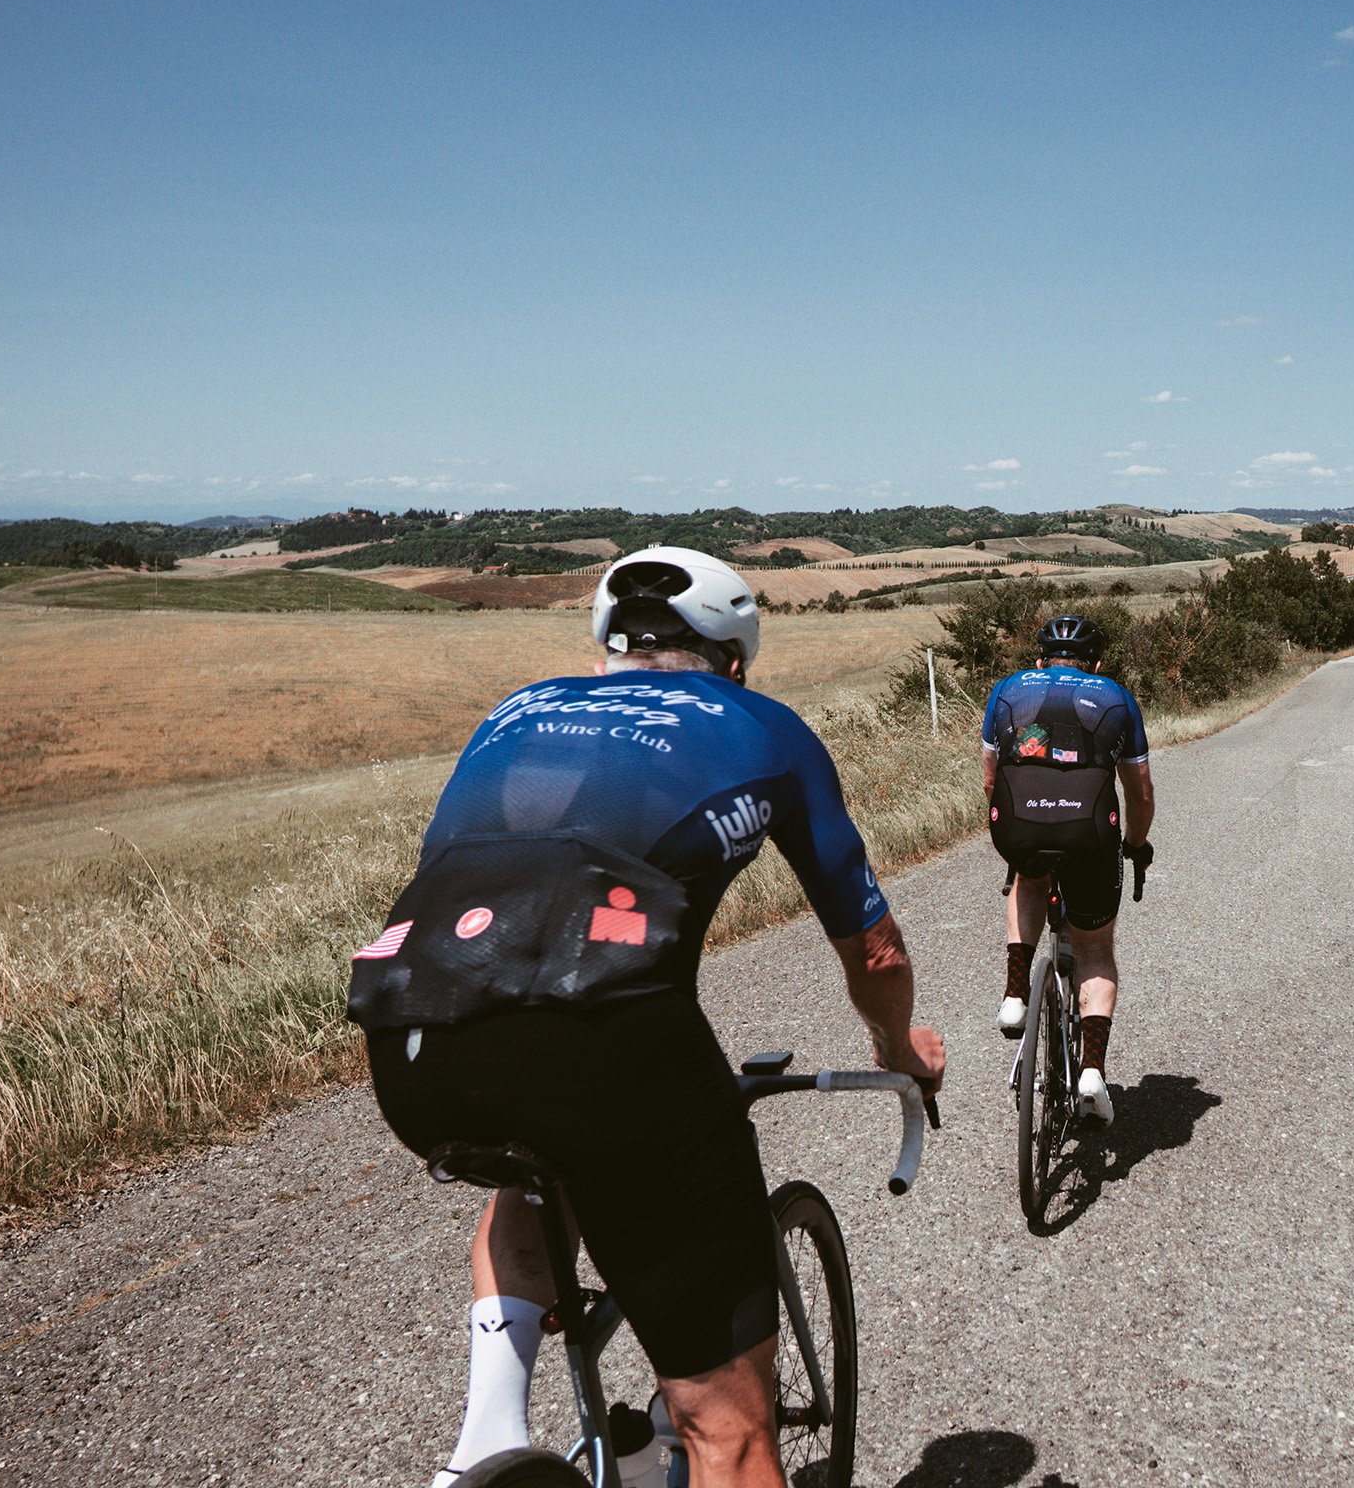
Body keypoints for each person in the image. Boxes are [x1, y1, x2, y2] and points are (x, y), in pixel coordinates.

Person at [348, 547, 945, 1488]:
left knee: (544, 1156)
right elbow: (874, 949)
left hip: (410, 1032)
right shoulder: (765, 725)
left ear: (603, 655)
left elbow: (503, 896)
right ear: (735, 660)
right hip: (603, 1053)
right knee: (732, 1433)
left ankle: (486, 1445)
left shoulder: (513, 710)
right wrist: (898, 1051)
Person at [980, 614, 1154, 1125]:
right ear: (1096, 665)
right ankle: (1093, 1074)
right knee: (1095, 948)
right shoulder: (1116, 696)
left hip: (1017, 819)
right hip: (1089, 829)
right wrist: (1135, 846)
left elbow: (990, 780)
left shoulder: (1008, 689)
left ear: (1039, 661)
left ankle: (1014, 994)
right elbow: (1139, 793)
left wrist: (1014, 834)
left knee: (1028, 877)